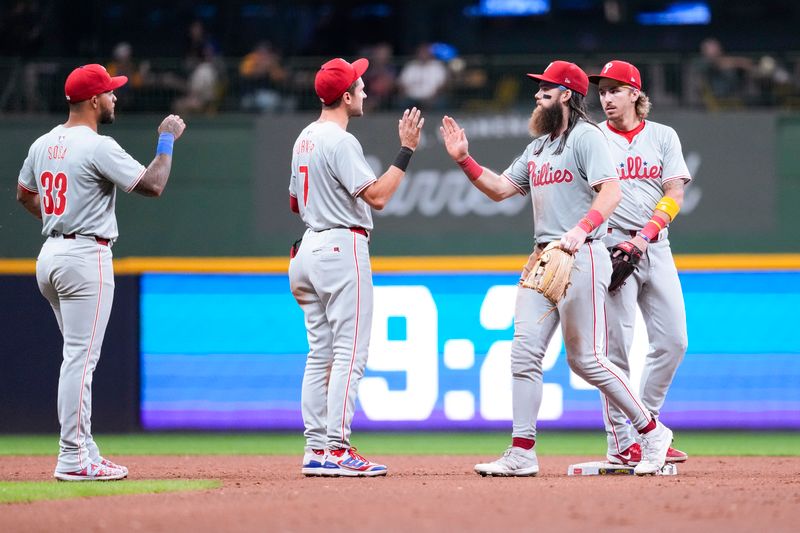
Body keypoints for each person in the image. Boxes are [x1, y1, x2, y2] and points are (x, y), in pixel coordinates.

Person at [440, 60, 673, 477]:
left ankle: (653, 432)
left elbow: (612, 192)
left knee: (585, 359)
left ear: (567, 95)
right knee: (524, 352)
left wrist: (582, 230)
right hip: (544, 258)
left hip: (584, 255)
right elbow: (499, 189)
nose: (537, 95)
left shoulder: (587, 137)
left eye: (546, 89)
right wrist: (464, 160)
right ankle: (522, 451)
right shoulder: (538, 147)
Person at [15, 64, 186, 481]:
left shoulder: (43, 143)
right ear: (93, 100)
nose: (115, 98)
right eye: (110, 92)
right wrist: (166, 139)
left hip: (51, 253)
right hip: (84, 257)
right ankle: (72, 456)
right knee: (80, 359)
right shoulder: (97, 146)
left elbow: (24, 194)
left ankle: (85, 448)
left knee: (78, 356)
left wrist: (60, 216)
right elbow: (154, 184)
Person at [288, 58, 423, 477]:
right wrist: (407, 151)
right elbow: (378, 197)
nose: (365, 92)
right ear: (345, 97)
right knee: (350, 353)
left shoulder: (304, 138)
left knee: (320, 354)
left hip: (307, 247)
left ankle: (315, 448)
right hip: (341, 247)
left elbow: (295, 202)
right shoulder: (339, 141)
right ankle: (337, 448)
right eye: (360, 87)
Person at [588, 60, 691, 467]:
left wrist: (645, 237)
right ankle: (622, 444)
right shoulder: (593, 137)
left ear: (635, 93)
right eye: (602, 91)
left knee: (673, 342)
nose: (607, 97)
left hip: (655, 245)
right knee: (616, 352)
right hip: (611, 248)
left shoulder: (663, 136)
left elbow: (674, 194)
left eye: (615, 89)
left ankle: (648, 427)